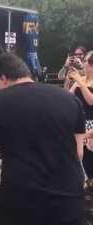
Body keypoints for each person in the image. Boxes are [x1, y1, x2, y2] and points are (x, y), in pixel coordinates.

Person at [0, 53, 85, 225]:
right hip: (69, 202)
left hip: (19, 202)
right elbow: (78, 153)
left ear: (2, 78)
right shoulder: (70, 99)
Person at [69, 51, 93, 191]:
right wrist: (69, 79)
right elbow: (68, 96)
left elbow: (91, 101)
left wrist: (79, 81)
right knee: (76, 157)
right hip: (78, 122)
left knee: (89, 160)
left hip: (91, 123)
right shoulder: (82, 79)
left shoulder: (82, 81)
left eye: (85, 62)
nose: (82, 64)